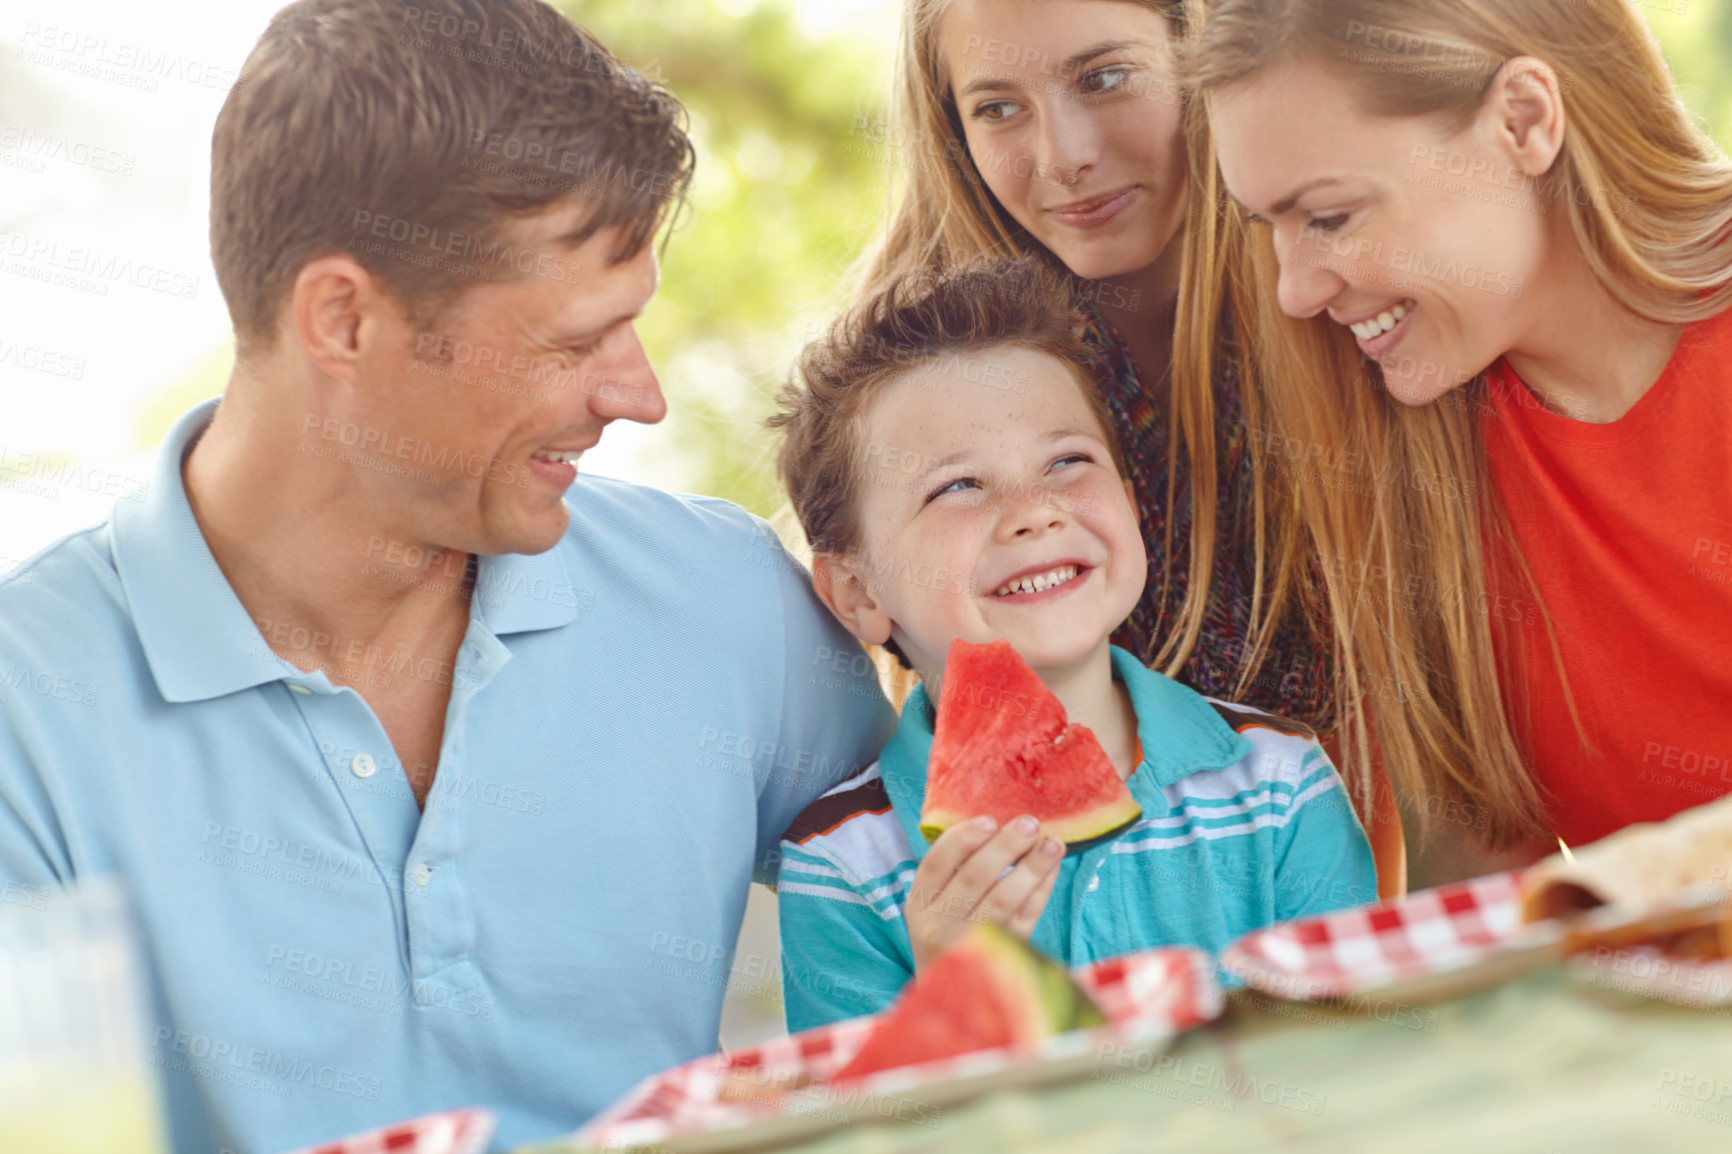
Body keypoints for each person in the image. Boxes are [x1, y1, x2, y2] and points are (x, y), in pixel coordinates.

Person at [0, 1, 894, 1149]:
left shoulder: (721, 600)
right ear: (343, 317)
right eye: (572, 343)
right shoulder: (30, 713)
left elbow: (970, 926)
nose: (639, 395)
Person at [1189, 0, 1732, 883]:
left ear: (1523, 121)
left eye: (1328, 216)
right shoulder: (1409, 438)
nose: (1292, 292)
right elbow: (1475, 868)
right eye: (1268, 227)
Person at [767, 260, 1376, 1030]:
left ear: (1129, 498)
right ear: (859, 591)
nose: (1037, 512)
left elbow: (1358, 1052)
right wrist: (956, 1001)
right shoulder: (842, 863)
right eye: (958, 485)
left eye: (1067, 462)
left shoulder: (1279, 780)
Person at [859, 0, 1339, 732]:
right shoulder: (907, 384)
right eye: (997, 108)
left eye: (1106, 77)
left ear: (1207, 53)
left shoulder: (1350, 294)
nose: (1063, 157)